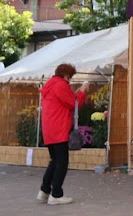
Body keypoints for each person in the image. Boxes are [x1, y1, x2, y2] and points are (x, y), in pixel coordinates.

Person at [37, 63, 89, 206]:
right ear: (66, 75)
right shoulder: (61, 85)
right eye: (70, 77)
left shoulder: (51, 84)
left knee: (54, 160)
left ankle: (44, 191)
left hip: (49, 129)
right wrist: (83, 90)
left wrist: (76, 92)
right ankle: (56, 194)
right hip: (59, 128)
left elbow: (65, 100)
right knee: (61, 162)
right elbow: (74, 103)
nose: (70, 80)